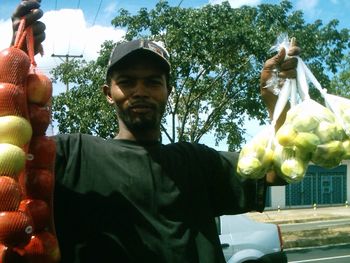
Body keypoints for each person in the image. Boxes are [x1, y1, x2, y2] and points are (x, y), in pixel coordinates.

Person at [10, 1, 299, 262]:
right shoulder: (72, 154)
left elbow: (277, 172)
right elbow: (12, 154)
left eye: (152, 82)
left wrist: (277, 96)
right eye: (127, 81)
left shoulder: (197, 161)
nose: (140, 92)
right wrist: (16, 64)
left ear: (167, 92)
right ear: (108, 93)